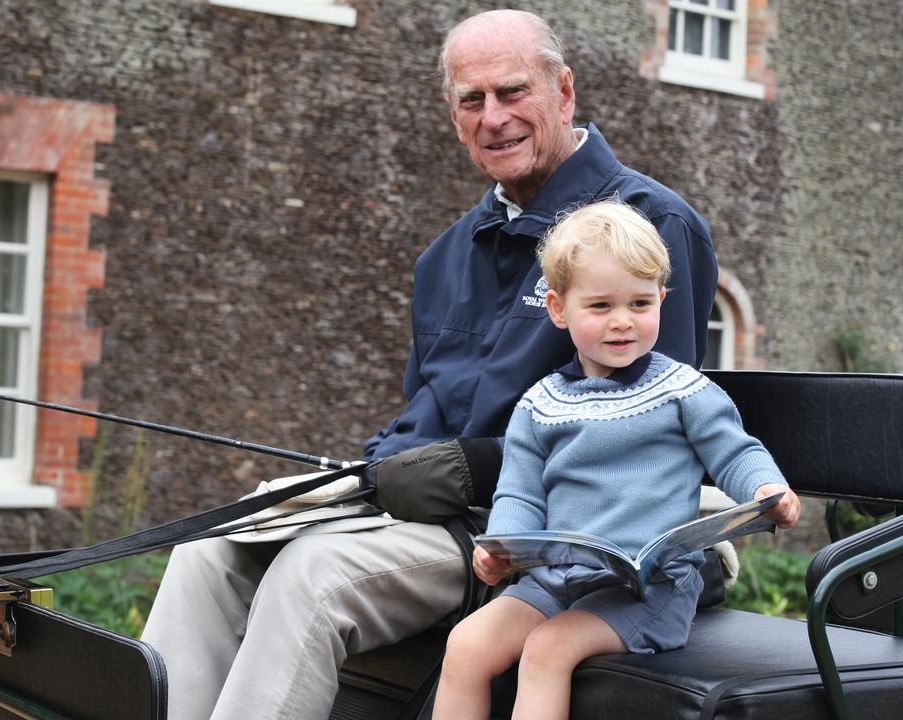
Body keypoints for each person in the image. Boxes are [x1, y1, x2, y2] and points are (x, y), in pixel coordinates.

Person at [142, 10, 722, 719]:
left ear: (563, 92)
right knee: (212, 549)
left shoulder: (650, 226)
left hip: (539, 541)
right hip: (426, 521)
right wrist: (373, 470)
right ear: (453, 118)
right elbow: (424, 415)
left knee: (311, 574)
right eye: (471, 102)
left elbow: (652, 429)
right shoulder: (446, 256)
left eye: (513, 92)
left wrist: (471, 467)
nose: (494, 118)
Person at [433, 201, 801, 720]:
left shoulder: (682, 390)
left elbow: (736, 453)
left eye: (640, 303)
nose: (622, 322)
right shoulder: (541, 403)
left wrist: (767, 490)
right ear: (559, 309)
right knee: (468, 643)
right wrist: (501, 550)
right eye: (601, 306)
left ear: (662, 301)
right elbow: (519, 492)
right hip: (558, 580)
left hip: (649, 591)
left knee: (548, 649)